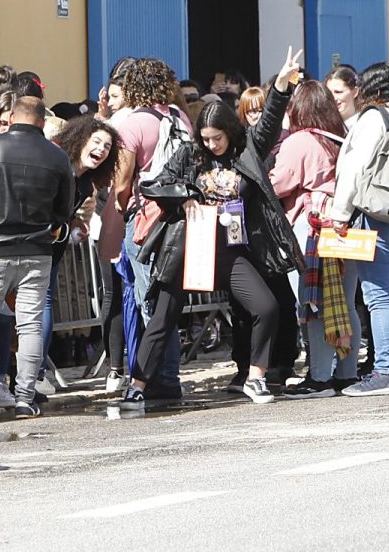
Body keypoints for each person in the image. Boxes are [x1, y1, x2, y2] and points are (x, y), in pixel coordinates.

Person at [122, 50, 302, 411]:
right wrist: (185, 198)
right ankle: (136, 385)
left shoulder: (247, 151)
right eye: (205, 138)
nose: (210, 144)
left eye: (216, 138)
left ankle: (256, 376)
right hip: (191, 248)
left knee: (266, 307)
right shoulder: (190, 154)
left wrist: (281, 86)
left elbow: (268, 121)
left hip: (231, 249)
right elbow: (156, 184)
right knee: (163, 317)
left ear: (229, 133)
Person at [0, 95, 74, 419]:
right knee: (31, 325)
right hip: (38, 249)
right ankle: (25, 397)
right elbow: (64, 209)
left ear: (12, 117)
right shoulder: (57, 156)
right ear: (41, 120)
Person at [324, 61, 389, 397]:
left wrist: (340, 213)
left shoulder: (372, 119)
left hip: (376, 213)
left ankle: (384, 372)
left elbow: (353, 168)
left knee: (378, 297)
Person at [110, 58, 193, 401]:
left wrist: (119, 205)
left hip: (145, 217)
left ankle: (157, 377)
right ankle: (169, 374)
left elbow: (123, 179)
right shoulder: (179, 117)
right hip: (179, 216)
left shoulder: (133, 124)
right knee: (167, 301)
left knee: (148, 299)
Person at [269, 76, 355, 396]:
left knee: (313, 304)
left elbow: (278, 183)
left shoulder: (300, 140)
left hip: (311, 228)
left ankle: (319, 378)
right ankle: (346, 375)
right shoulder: (340, 136)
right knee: (343, 304)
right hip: (343, 225)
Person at [62, 119, 132, 389]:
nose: (102, 150)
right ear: (81, 141)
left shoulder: (89, 180)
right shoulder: (63, 166)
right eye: (96, 143)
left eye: (107, 146)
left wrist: (73, 222)